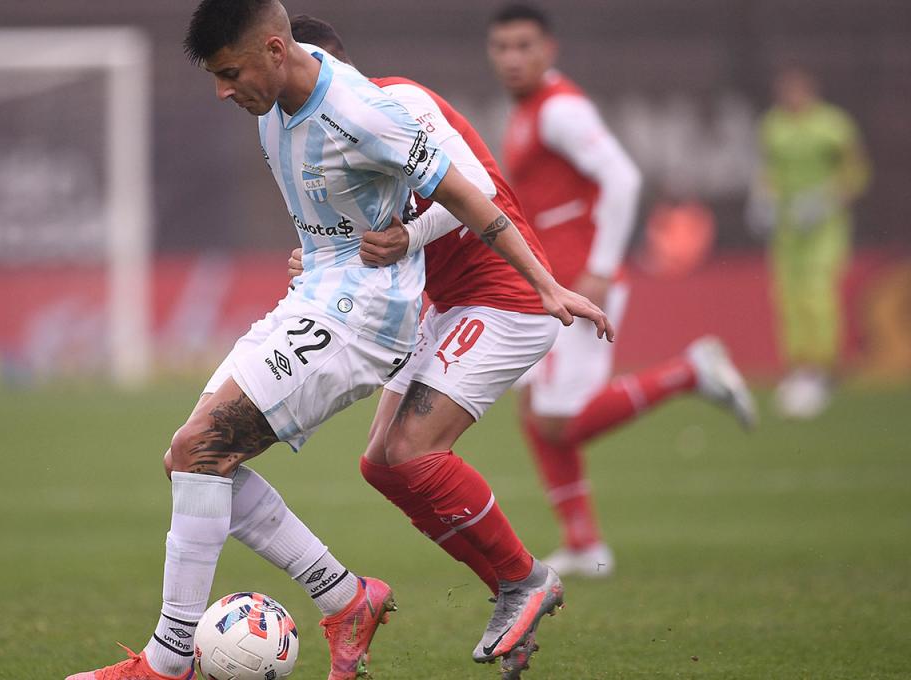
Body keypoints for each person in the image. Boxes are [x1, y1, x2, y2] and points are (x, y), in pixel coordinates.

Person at [67, 2, 610, 680]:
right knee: (224, 458)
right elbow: (338, 213)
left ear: (281, 53)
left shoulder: (377, 107)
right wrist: (327, 254)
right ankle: (347, 597)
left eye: (232, 73)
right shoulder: (276, 114)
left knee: (269, 450)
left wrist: (540, 282)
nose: (223, 92)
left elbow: (472, 188)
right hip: (372, 298)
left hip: (457, 301)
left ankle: (171, 661)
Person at [284, 14, 596, 677]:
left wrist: (407, 239)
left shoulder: (398, 104)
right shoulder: (322, 141)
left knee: (412, 450)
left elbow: (476, 193)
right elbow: (362, 242)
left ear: (325, 68)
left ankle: (523, 580)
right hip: (452, 304)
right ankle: (516, 587)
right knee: (378, 463)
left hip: (505, 295)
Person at [488, 3, 757, 577]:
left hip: (582, 281)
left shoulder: (560, 109)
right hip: (555, 282)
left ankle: (690, 371)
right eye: (502, 48)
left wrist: (603, 268)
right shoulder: (526, 111)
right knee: (536, 408)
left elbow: (623, 176)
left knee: (560, 419)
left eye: (523, 46)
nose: (512, 58)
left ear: (548, 49)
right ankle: (584, 544)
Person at [751, 66, 871, 419]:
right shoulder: (773, 125)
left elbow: (858, 172)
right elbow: (767, 170)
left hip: (823, 227)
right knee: (787, 296)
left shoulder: (833, 126)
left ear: (810, 92)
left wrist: (827, 200)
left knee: (817, 293)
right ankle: (798, 366)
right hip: (787, 228)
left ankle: (822, 367)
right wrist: (763, 198)